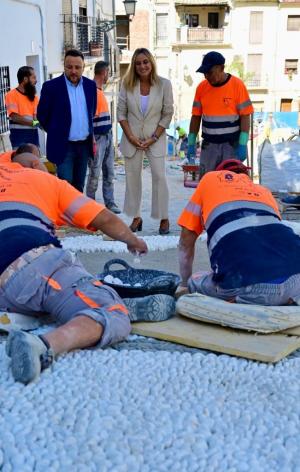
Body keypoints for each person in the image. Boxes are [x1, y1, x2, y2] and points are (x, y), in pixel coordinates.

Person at [0, 153, 175, 385]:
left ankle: (75, 302)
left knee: (43, 296)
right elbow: (103, 218)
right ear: (34, 163)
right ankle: (43, 345)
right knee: (113, 312)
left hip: (12, 286)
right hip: (30, 265)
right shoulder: (44, 180)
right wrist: (133, 240)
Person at [177, 159, 300, 305]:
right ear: (246, 175)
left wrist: (184, 283)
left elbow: (185, 242)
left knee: (196, 280)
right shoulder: (264, 191)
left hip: (248, 284)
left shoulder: (210, 179)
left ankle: (240, 298)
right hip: (296, 279)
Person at [117, 47, 174, 235]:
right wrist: (131, 137)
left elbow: (167, 113)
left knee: (159, 176)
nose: (142, 66)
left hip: (155, 138)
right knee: (132, 178)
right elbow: (121, 114)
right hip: (131, 138)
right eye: (138, 63)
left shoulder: (164, 85)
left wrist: (154, 137)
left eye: (145, 62)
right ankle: (136, 217)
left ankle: (163, 217)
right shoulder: (126, 85)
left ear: (151, 63)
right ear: (134, 65)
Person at [37, 49, 97, 192]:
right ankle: (64, 214)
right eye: (69, 67)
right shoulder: (51, 87)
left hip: (84, 146)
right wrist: (56, 132)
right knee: (65, 187)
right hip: (64, 147)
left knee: (79, 186)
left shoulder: (90, 86)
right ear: (64, 67)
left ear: (83, 67)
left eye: (77, 67)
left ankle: (77, 214)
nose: (73, 71)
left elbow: (91, 112)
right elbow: (42, 115)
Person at [187, 51, 254, 175]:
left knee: (230, 184)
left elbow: (245, 115)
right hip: (209, 146)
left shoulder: (237, 85)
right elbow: (196, 116)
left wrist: (243, 143)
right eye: (204, 73)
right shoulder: (201, 88)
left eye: (210, 72)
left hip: (231, 146)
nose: (207, 76)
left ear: (222, 68)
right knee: (208, 183)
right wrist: (191, 141)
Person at [86, 61, 120, 214]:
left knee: (109, 171)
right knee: (95, 172)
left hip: (107, 136)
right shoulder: (92, 91)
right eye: (108, 72)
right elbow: (88, 118)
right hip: (97, 138)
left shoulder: (99, 91)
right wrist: (91, 139)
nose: (108, 76)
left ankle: (110, 202)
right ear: (104, 72)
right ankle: (90, 203)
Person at [5, 66, 39, 149]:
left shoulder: (35, 98)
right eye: (33, 77)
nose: (36, 81)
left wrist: (37, 122)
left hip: (33, 137)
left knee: (34, 161)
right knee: (20, 161)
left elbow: (36, 118)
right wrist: (35, 123)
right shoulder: (11, 95)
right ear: (25, 79)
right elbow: (15, 118)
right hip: (18, 137)